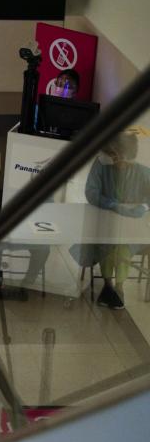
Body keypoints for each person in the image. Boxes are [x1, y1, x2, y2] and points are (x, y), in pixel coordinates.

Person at [72, 132, 150, 309]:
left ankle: (119, 288)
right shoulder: (101, 164)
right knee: (108, 245)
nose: (113, 162)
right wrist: (113, 204)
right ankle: (108, 285)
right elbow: (91, 192)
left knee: (123, 249)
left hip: (133, 228)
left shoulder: (142, 171)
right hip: (105, 223)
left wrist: (144, 207)